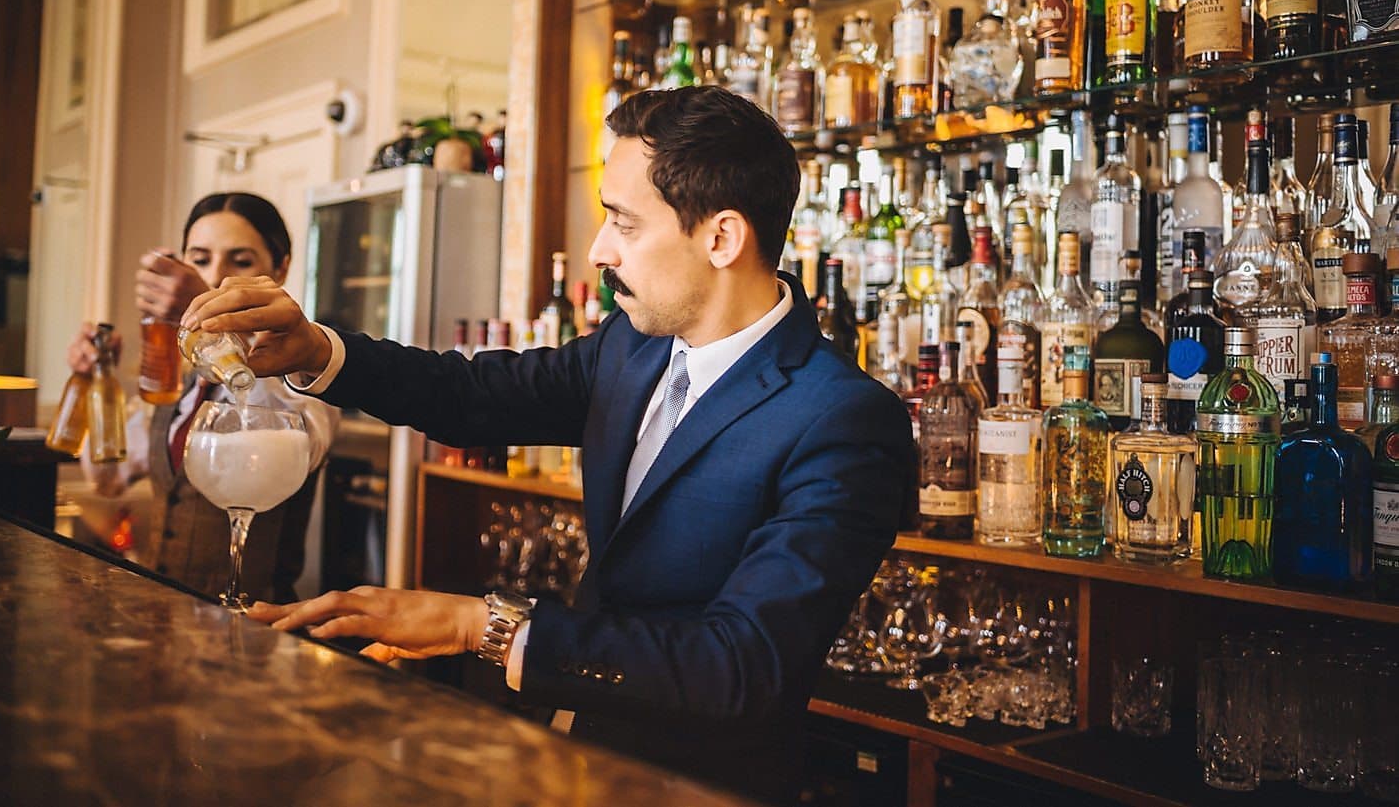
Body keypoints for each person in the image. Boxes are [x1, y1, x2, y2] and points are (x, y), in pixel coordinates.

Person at [181, 88, 915, 804]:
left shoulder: (842, 421)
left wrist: (479, 624)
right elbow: (474, 396)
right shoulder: (631, 345)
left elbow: (740, 664)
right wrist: (316, 348)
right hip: (565, 752)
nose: (599, 249)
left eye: (623, 223)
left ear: (721, 237)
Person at [71, 192, 338, 603]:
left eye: (241, 262)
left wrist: (221, 331)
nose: (217, 279)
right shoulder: (177, 383)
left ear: (280, 268)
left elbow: (301, 448)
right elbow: (107, 479)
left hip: (253, 632)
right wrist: (97, 382)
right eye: (200, 258)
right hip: (162, 621)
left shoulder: (305, 375)